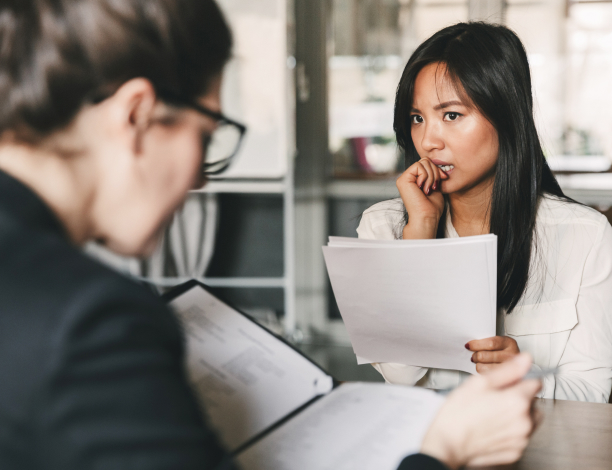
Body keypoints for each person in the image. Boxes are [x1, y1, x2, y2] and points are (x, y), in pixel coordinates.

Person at [0, 2, 540, 469]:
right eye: (207, 136)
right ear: (137, 115)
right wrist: (440, 450)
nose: (196, 177)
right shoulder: (93, 321)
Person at [357, 22, 612, 402]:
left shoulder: (584, 235)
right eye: (417, 118)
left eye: (450, 115)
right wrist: (421, 232)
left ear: (507, 115)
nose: (428, 142)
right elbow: (401, 375)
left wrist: (526, 377)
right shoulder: (382, 226)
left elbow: (591, 394)